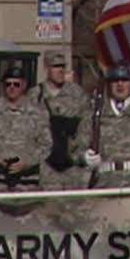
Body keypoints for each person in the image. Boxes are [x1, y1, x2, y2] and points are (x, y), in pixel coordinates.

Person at [0, 67, 51, 192]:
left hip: (27, 180)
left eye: (16, 84)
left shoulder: (37, 113)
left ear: (24, 85)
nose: (12, 87)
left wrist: (27, 162)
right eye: (8, 84)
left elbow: (46, 144)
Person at [28, 51, 93, 190]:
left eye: (63, 66)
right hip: (46, 166)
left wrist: (79, 153)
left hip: (72, 165)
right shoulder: (35, 95)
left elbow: (86, 126)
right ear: (47, 68)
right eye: (56, 66)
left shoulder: (77, 94)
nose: (60, 70)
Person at [87, 63, 130, 188]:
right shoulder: (96, 114)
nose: (120, 84)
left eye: (124, 80)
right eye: (115, 80)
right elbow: (79, 146)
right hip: (106, 185)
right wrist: (85, 157)